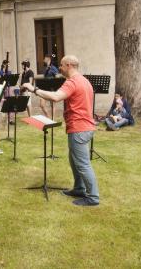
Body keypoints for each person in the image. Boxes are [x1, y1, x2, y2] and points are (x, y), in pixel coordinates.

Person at [22, 55, 99, 206]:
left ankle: (93, 197)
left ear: (69, 65)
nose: (60, 68)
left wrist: (34, 89)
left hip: (79, 128)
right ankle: (79, 188)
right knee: (74, 159)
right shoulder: (84, 81)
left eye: (62, 65)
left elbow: (56, 97)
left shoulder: (73, 82)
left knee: (82, 164)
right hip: (83, 127)